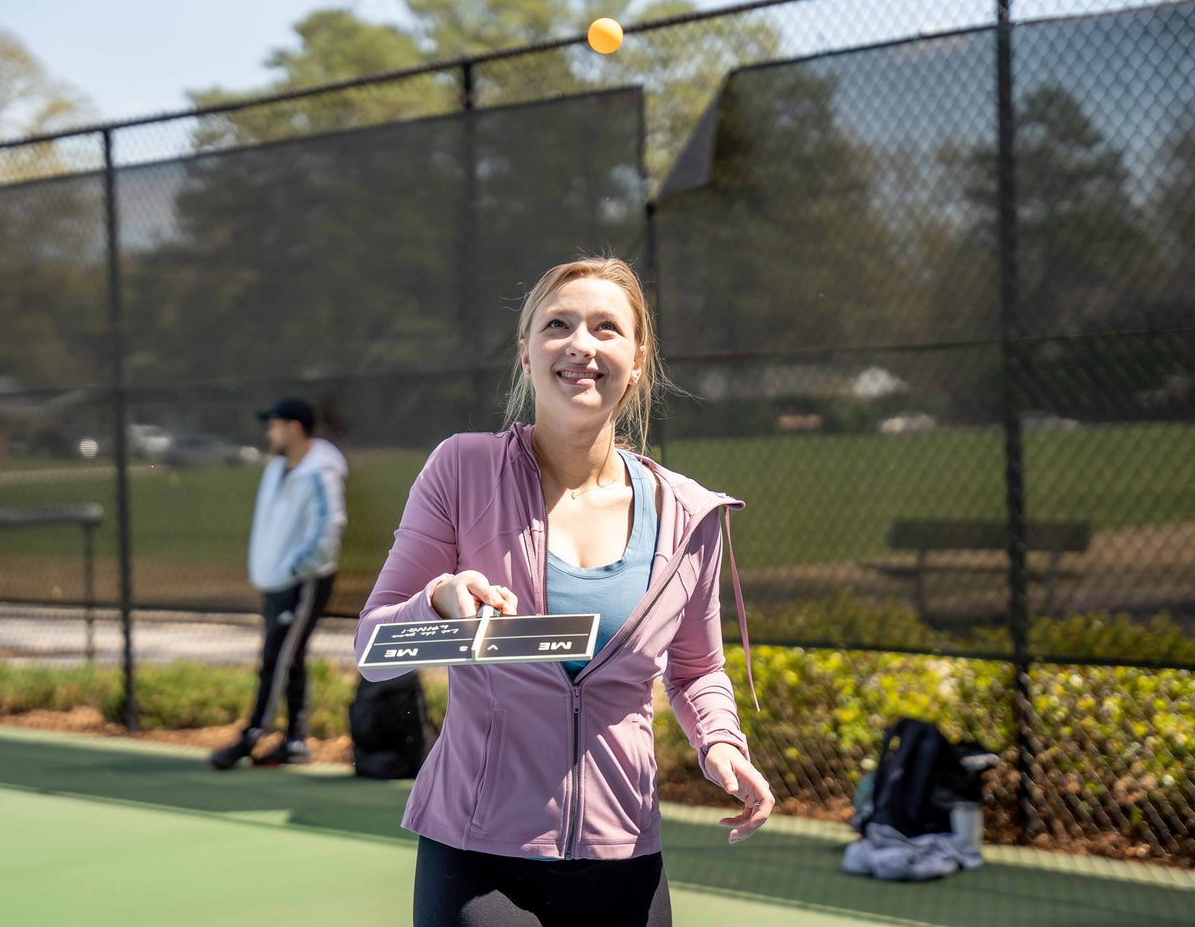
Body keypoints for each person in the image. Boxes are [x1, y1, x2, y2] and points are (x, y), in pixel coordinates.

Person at [355, 257, 773, 926]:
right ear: (526, 354)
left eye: (606, 327)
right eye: (558, 324)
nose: (581, 343)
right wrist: (438, 599)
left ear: (636, 360)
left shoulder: (689, 513)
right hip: (475, 851)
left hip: (624, 852)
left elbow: (696, 668)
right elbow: (375, 650)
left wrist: (721, 745)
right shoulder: (460, 468)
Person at [210, 396, 348, 769]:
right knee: (290, 658)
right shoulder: (275, 469)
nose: (268, 432)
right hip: (275, 583)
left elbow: (328, 528)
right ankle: (296, 740)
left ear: (294, 428)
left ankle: (254, 733)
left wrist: (294, 569)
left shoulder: (321, 472)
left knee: (277, 657)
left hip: (303, 583)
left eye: (274, 424)